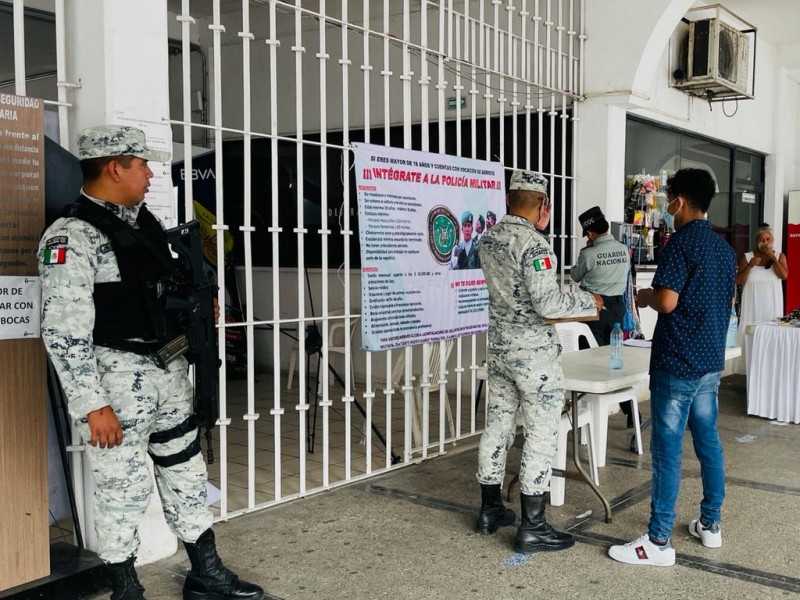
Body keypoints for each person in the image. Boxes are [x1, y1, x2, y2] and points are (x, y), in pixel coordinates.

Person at [39, 125, 265, 600]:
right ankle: (126, 589)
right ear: (114, 166)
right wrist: (90, 404)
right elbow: (63, 330)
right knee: (122, 491)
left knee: (186, 470)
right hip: (115, 383)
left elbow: (161, 292)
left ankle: (206, 573)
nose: (148, 171)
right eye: (140, 163)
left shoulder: (146, 224)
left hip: (168, 372)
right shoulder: (72, 236)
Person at [608, 168, 736, 567]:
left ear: (680, 200)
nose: (666, 207)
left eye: (669, 199)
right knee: (708, 443)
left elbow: (668, 302)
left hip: (676, 362)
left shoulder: (680, 244)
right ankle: (710, 525)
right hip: (709, 364)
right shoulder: (725, 251)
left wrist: (645, 296)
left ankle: (659, 541)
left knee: (667, 451)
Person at [474, 169, 603, 553]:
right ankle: (534, 526)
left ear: (508, 200)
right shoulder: (534, 244)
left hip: (499, 349)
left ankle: (490, 509)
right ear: (544, 206)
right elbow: (548, 305)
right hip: (533, 357)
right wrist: (588, 302)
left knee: (496, 426)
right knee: (542, 432)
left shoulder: (489, 238)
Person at [570, 206, 638, 427]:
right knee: (616, 360)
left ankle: (587, 412)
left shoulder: (588, 254)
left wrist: (587, 253)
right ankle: (631, 412)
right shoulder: (622, 249)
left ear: (589, 234)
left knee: (590, 362)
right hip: (618, 308)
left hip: (594, 310)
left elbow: (575, 275)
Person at [734, 223, 788, 374]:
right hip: (753, 306)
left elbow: (784, 275)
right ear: (756, 241)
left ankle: (771, 370)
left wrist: (773, 258)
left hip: (772, 307)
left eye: (768, 239)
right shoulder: (748, 257)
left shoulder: (779, 256)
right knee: (752, 335)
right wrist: (750, 266)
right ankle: (750, 371)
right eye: (762, 239)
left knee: (771, 335)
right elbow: (738, 280)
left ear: (772, 240)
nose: (765, 242)